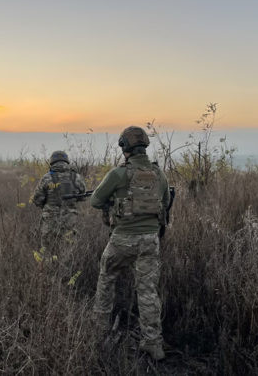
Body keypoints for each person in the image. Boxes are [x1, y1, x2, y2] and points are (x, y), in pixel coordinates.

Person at [89, 126, 170, 361]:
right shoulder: (159, 174)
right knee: (147, 292)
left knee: (107, 277)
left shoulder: (118, 174)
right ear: (144, 146)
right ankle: (153, 344)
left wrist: (115, 200)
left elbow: (95, 200)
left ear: (124, 147)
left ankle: (99, 331)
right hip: (150, 241)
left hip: (123, 238)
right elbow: (165, 202)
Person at [32, 151, 86, 256]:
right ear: (67, 162)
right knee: (67, 252)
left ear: (52, 162)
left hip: (49, 222)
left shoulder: (47, 178)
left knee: (47, 252)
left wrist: (48, 205)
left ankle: (49, 271)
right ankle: (65, 271)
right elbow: (82, 197)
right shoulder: (76, 177)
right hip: (70, 221)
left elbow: (37, 200)